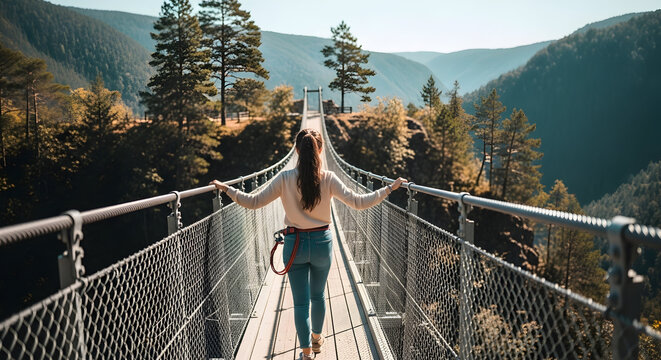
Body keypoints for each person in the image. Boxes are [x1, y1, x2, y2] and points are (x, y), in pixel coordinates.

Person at [210, 128, 406, 360]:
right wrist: (388, 189)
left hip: (294, 245)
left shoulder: (284, 179)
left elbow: (253, 202)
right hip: (323, 243)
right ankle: (317, 338)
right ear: (321, 150)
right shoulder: (329, 178)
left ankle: (305, 353)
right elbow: (358, 202)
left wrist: (227, 189)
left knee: (301, 302)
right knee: (318, 296)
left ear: (296, 150)